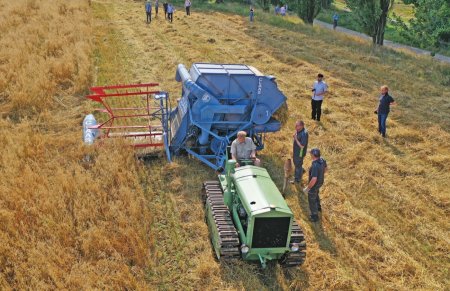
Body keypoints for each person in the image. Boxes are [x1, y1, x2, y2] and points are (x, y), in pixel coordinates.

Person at [303, 148, 327, 222]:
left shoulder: (315, 166)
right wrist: (321, 174)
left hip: (314, 184)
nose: (310, 155)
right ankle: (319, 207)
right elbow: (326, 168)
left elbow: (313, 179)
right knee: (316, 193)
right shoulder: (322, 160)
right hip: (320, 182)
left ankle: (314, 215)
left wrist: (308, 188)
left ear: (313, 155)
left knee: (311, 199)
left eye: (311, 154)